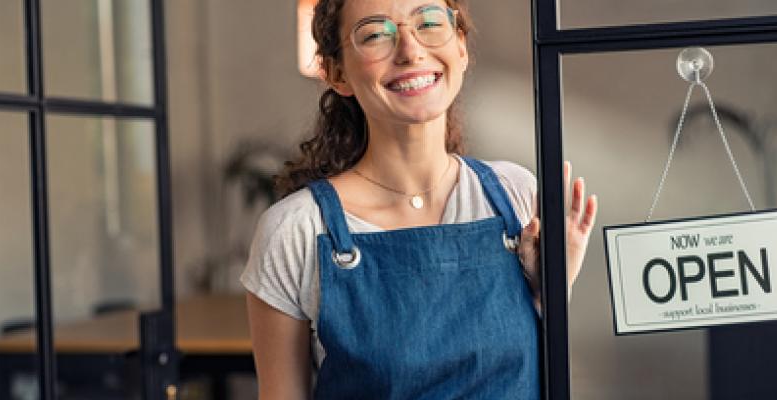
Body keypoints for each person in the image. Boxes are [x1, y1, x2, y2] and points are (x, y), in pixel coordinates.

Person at [240, 0, 598, 398]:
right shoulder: (297, 230)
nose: (410, 51)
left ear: (460, 46)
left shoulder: (516, 195)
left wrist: (550, 293)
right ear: (336, 72)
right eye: (375, 34)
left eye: (428, 23)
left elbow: (553, 377)